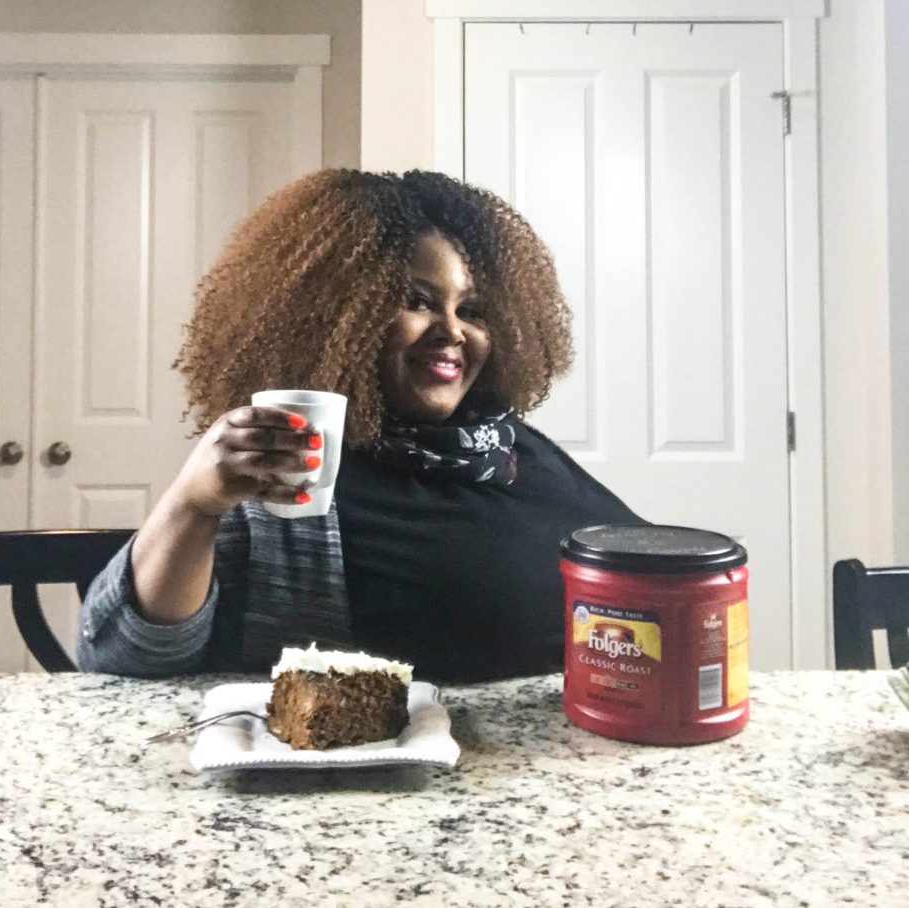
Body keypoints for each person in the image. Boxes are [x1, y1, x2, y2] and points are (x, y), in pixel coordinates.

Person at [78, 168, 641, 683]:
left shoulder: (498, 441)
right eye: (416, 301)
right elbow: (123, 659)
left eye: (471, 310)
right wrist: (192, 505)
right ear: (336, 316)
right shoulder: (293, 475)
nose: (451, 330)